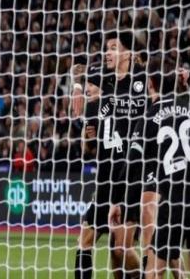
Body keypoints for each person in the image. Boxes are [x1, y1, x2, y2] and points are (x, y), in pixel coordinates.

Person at [109, 56, 190, 279]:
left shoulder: (149, 117)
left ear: (150, 82)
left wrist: (117, 200)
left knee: (155, 270)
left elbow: (131, 163)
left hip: (175, 201)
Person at [73, 31, 146, 279]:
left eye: (114, 47)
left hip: (129, 178)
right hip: (104, 178)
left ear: (128, 53)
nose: (107, 52)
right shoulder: (102, 82)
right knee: (85, 240)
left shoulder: (141, 82)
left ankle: (149, 274)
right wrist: (87, 137)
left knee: (119, 250)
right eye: (107, 48)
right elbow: (77, 68)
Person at [76, 63, 123, 278]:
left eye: (91, 84)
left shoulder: (94, 107)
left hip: (107, 184)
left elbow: (86, 152)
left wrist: (86, 138)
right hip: (127, 180)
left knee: (85, 243)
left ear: (102, 85)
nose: (88, 89)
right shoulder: (126, 100)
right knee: (119, 250)